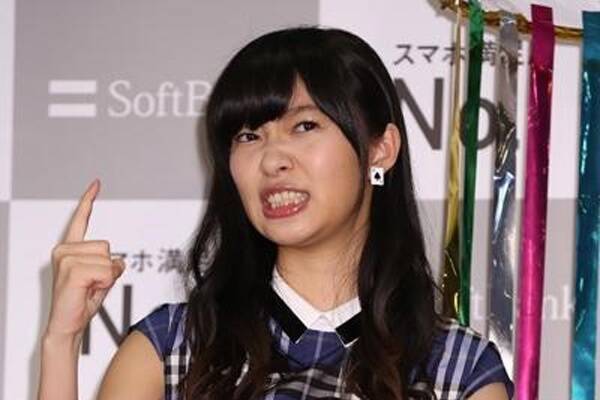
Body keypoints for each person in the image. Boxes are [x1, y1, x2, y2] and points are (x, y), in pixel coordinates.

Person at [38, 26, 514, 399]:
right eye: (248, 136)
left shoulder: (458, 371)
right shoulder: (172, 349)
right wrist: (62, 341)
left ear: (380, 149)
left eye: (304, 126)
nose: (272, 160)